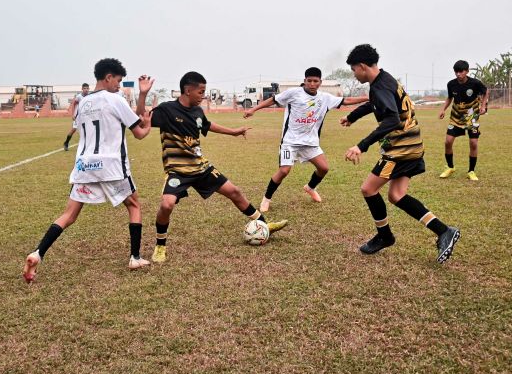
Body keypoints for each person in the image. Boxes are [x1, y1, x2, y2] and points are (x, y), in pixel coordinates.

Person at [22, 58, 153, 283]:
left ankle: (38, 253)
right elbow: (140, 132)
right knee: (134, 205)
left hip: (84, 166)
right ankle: (135, 257)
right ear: (108, 77)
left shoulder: (82, 103)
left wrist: (141, 95)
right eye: (118, 81)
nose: (119, 86)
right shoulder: (116, 99)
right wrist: (148, 123)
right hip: (112, 166)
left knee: (69, 214)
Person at [136, 71, 288, 263]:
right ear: (187, 90)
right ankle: (160, 245)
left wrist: (233, 132)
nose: (203, 95)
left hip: (201, 167)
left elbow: (207, 125)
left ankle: (264, 224)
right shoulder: (167, 110)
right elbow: (141, 116)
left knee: (235, 192)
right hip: (178, 170)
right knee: (166, 205)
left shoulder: (198, 111)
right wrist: (142, 94)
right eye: (201, 91)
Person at [342, 44, 460, 264]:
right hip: (412, 145)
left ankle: (385, 236)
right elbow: (374, 104)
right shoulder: (384, 80)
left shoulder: (380, 87)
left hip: (400, 150)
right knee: (396, 195)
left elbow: (392, 120)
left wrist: (361, 145)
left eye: (354, 70)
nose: (354, 74)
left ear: (362, 66)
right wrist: (352, 116)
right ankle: (444, 231)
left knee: (368, 189)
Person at [243, 67, 368, 212]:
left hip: (310, 143)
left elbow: (346, 100)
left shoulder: (325, 98)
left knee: (323, 168)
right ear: (305, 81)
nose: (312, 84)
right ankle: (266, 199)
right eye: (309, 81)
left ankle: (310, 188)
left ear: (320, 82)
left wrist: (367, 98)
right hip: (290, 142)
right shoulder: (293, 93)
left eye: (315, 81)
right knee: (284, 171)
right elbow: (273, 99)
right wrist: (253, 109)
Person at [438, 60, 489, 181]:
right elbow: (450, 98)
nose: (458, 74)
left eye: (461, 71)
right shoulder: (451, 84)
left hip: (471, 117)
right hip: (456, 116)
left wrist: (483, 106)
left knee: (473, 143)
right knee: (448, 142)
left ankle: (471, 171)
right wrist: (443, 109)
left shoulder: (475, 83)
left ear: (467, 71)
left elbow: (486, 91)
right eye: (456, 71)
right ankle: (450, 167)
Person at [63, 83, 90, 151]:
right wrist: (73, 114)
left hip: (85, 117)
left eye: (87, 88)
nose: (86, 90)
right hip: (77, 117)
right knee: (73, 130)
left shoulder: (89, 96)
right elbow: (73, 104)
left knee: (87, 130)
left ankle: (86, 146)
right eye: (85, 88)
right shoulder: (79, 97)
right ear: (82, 89)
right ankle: (66, 142)